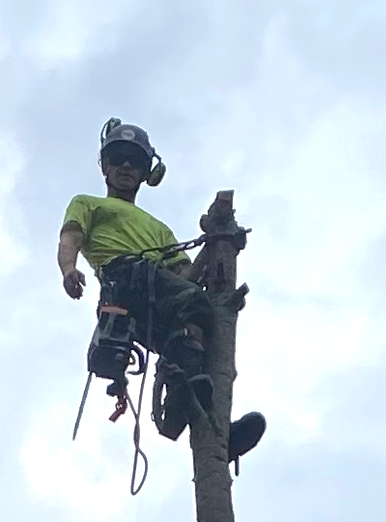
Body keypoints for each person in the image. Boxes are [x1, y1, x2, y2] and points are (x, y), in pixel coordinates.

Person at [58, 120, 264, 462]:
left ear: (146, 172)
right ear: (105, 166)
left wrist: (218, 244)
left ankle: (210, 427)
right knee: (193, 309)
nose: (126, 166)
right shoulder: (88, 203)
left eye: (135, 161)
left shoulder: (160, 229)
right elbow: (71, 238)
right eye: (119, 158)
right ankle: (185, 383)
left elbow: (185, 275)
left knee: (195, 338)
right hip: (124, 279)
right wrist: (69, 269)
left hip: (159, 294)